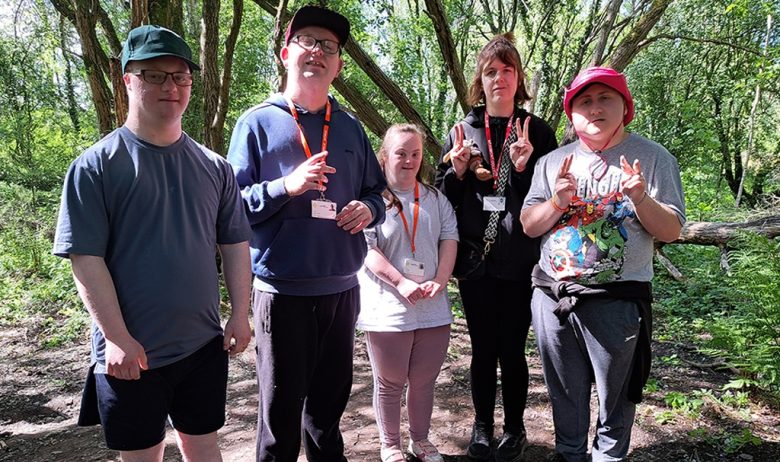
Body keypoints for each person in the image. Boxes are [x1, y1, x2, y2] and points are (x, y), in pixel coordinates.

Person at [52, 25, 252, 462]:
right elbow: (86, 259)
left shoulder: (214, 167)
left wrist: (240, 313)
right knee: (142, 454)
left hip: (202, 345)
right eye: (154, 75)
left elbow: (235, 244)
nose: (171, 86)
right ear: (128, 80)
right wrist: (117, 337)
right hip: (131, 353)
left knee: (203, 446)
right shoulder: (95, 166)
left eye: (180, 76)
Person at [225, 6, 386, 462]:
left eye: (329, 47)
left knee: (327, 414)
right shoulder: (256, 123)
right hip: (281, 291)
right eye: (308, 41)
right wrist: (284, 187)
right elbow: (231, 208)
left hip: (341, 288)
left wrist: (367, 209)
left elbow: (378, 193)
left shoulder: (352, 127)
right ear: (285, 53)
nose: (317, 51)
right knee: (279, 418)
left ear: (338, 66)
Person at [520, 67, 686, 462]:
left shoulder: (653, 157)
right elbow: (529, 225)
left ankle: (609, 457)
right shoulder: (552, 162)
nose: (594, 108)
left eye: (605, 98)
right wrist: (558, 202)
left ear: (624, 107)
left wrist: (641, 198)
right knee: (564, 395)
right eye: (584, 101)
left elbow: (672, 230)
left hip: (618, 302)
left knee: (617, 400)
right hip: (553, 298)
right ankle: (570, 453)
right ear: (571, 112)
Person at [434, 33, 558, 462]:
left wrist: (523, 170)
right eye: (491, 71)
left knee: (512, 348)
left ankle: (516, 429)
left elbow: (551, 199)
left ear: (519, 78)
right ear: (480, 81)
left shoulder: (539, 131)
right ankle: (482, 427)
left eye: (507, 70)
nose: (499, 78)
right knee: (483, 349)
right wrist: (460, 172)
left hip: (522, 262)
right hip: (474, 263)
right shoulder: (461, 131)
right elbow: (440, 197)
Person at [357, 124, 458, 462]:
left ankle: (420, 440)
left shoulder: (436, 199)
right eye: (401, 153)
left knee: (424, 380)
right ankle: (390, 445)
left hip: (432, 307)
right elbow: (366, 250)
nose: (409, 160)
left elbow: (449, 240)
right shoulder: (372, 201)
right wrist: (400, 282)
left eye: (415, 154)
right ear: (384, 157)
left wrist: (441, 280)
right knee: (390, 382)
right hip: (387, 307)